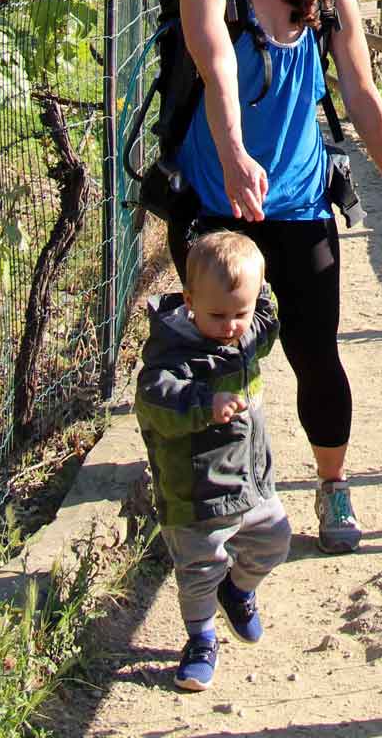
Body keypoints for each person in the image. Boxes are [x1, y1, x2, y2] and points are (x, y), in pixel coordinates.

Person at [174, 0, 382, 553]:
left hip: (300, 202)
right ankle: (217, 494)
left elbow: (363, 96)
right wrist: (233, 154)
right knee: (218, 352)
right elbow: (217, 75)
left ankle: (333, 485)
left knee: (315, 352)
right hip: (223, 204)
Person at [135, 230, 290, 694]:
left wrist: (261, 286)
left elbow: (267, 320)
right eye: (218, 315)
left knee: (274, 542)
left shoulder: (243, 334)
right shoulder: (173, 355)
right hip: (197, 492)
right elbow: (155, 400)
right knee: (199, 570)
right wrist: (204, 402)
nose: (230, 326)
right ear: (188, 301)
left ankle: (238, 590)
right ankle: (200, 638)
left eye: (238, 314)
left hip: (250, 482)